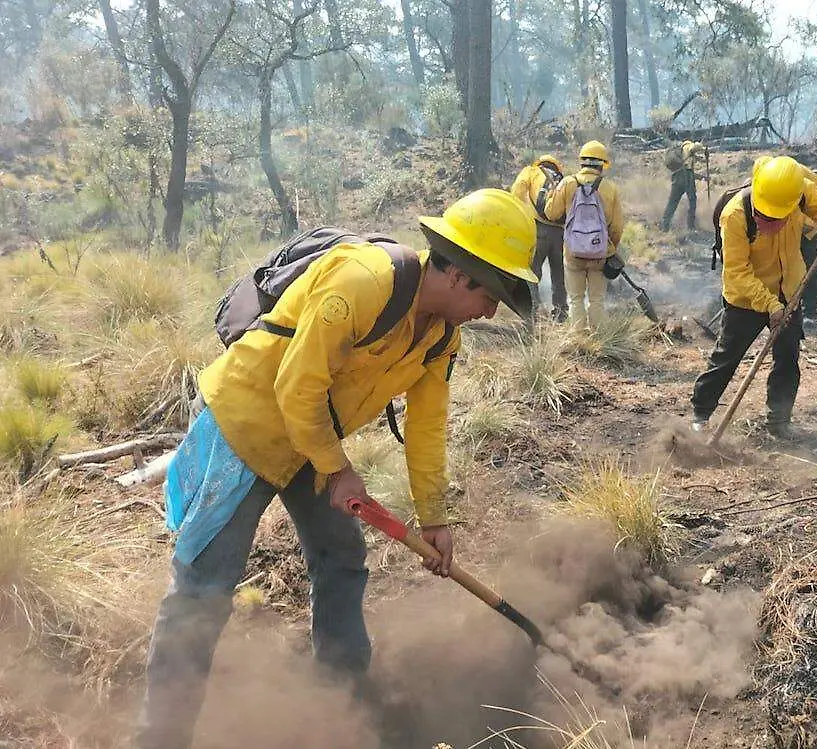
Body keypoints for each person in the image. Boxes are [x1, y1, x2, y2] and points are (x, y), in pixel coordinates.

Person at [136, 188, 538, 749]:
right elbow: (296, 386)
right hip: (244, 428)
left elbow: (426, 429)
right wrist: (338, 469)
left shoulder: (442, 338)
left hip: (310, 442)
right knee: (204, 588)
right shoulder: (364, 283)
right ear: (462, 275)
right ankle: (160, 737)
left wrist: (434, 517)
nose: (491, 311)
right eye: (493, 295)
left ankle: (343, 699)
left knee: (342, 558)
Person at [690, 156, 817, 440]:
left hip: (789, 291)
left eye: (774, 218)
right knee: (727, 357)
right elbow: (737, 273)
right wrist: (770, 305)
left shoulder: (798, 191)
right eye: (762, 215)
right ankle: (700, 414)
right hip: (746, 299)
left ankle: (779, 421)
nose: (766, 222)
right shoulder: (735, 215)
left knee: (787, 357)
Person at [544, 140, 624, 329]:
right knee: (597, 300)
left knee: (575, 299)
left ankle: (578, 339)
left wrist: (552, 195)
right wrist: (609, 248)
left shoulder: (568, 183)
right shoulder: (610, 188)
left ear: (582, 162)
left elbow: (551, 213)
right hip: (600, 252)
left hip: (573, 253)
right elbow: (617, 226)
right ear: (602, 165)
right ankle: (599, 339)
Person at [510, 154, 568, 322]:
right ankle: (561, 313)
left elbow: (517, 191)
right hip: (560, 232)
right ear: (556, 167)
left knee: (533, 271)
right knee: (559, 273)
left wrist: (522, 216)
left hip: (539, 229)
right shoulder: (562, 180)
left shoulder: (531, 171)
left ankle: (532, 310)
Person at [660, 139, 706, 232]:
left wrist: (701, 176)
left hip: (677, 177)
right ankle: (691, 226)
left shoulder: (682, 154)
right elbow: (695, 147)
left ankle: (665, 225)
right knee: (692, 201)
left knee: (672, 202)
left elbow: (690, 169)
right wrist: (704, 148)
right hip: (686, 177)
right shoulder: (688, 146)